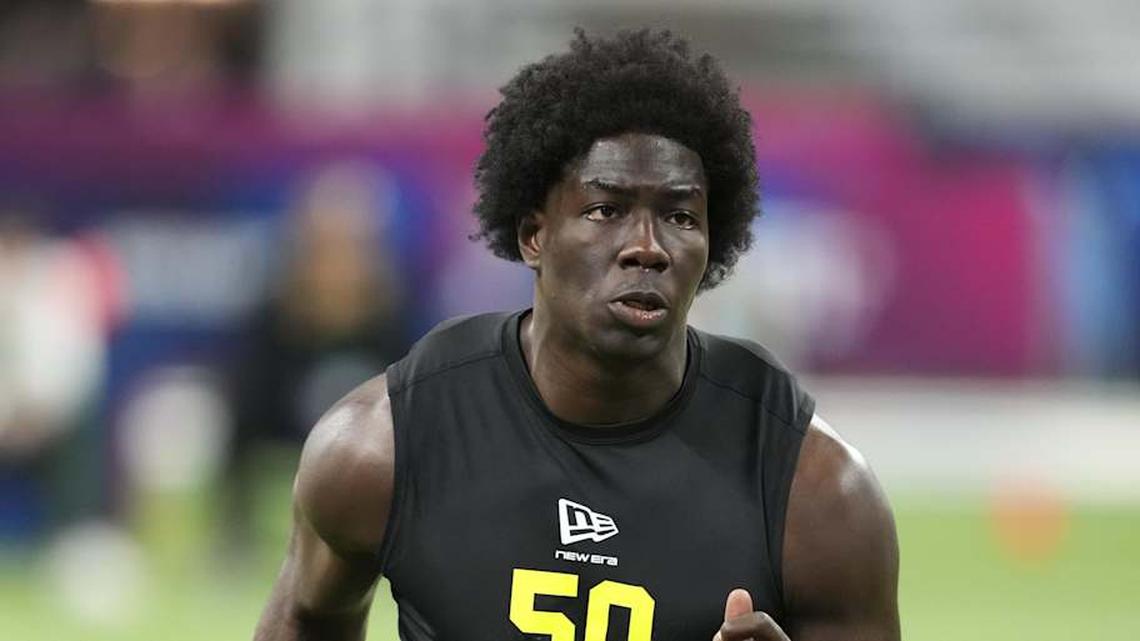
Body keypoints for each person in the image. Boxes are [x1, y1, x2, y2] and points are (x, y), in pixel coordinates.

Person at [255, 29, 899, 641]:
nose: (647, 247)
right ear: (533, 236)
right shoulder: (382, 447)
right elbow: (307, 620)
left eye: (680, 216)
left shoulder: (813, 488)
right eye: (605, 209)